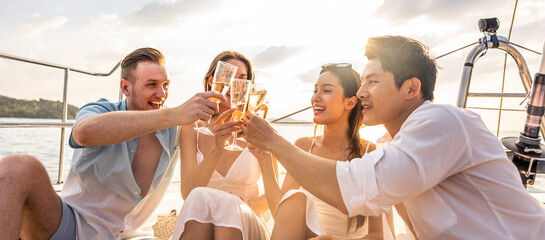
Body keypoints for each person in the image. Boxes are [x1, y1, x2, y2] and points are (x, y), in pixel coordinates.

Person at [240, 36, 545, 239]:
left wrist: (273, 141)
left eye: (372, 82)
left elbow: (354, 187)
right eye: (362, 83)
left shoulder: (442, 121)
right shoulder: (392, 145)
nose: (361, 93)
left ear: (411, 89)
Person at [0, 47, 226, 239]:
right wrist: (174, 115)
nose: (162, 94)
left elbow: (191, 188)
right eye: (151, 85)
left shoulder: (177, 127)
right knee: (18, 167)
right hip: (76, 227)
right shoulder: (99, 110)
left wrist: (219, 143)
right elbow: (84, 133)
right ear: (125, 88)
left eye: (166, 84)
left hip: (135, 234)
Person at [252, 63, 409, 240]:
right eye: (315, 91)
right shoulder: (303, 146)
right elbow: (281, 215)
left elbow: (377, 234)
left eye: (326, 91)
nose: (316, 98)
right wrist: (265, 161)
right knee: (295, 199)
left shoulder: (369, 152)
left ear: (350, 101)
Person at [170, 51, 274, 240]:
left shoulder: (261, 129)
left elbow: (274, 197)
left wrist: (245, 205)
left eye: (242, 79)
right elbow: (188, 193)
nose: (235, 86)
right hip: (203, 223)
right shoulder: (192, 127)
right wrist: (218, 148)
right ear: (213, 80)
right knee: (200, 198)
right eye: (230, 78)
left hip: (248, 221)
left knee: (227, 209)